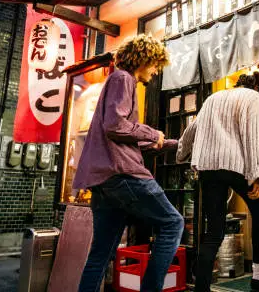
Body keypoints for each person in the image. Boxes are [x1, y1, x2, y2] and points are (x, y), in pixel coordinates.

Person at [74, 35, 184, 292]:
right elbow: (116, 126)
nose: (156, 72)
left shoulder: (116, 81)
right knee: (173, 223)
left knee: (100, 254)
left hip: (104, 180)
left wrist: (172, 143)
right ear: (144, 59)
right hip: (122, 174)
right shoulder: (124, 78)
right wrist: (151, 133)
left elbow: (123, 137)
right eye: (155, 65)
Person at [177, 72, 259, 292]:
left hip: (207, 168)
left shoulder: (213, 98)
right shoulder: (252, 98)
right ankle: (258, 278)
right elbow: (252, 136)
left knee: (214, 232)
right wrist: (256, 176)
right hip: (234, 166)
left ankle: (201, 288)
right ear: (258, 91)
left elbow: (191, 130)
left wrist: (181, 153)